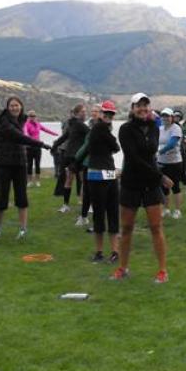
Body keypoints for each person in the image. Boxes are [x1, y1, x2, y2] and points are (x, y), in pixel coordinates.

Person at [112, 93, 173, 283]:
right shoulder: (125, 129)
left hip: (150, 185)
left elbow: (151, 155)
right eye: (138, 106)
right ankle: (122, 268)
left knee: (156, 227)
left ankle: (162, 271)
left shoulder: (154, 128)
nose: (142, 109)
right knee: (127, 227)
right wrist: (160, 176)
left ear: (149, 109)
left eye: (145, 106)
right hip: (131, 182)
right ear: (132, 108)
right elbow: (134, 159)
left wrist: (156, 178)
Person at [0, 96, 50, 240]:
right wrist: (41, 144)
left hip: (20, 162)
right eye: (11, 106)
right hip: (4, 163)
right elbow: (19, 137)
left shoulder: (23, 119)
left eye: (17, 105)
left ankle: (23, 229)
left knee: (22, 197)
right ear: (7, 107)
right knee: (2, 198)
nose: (14, 108)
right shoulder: (4, 121)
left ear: (21, 106)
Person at [75, 100, 121, 264]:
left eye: (111, 114)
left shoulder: (95, 130)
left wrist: (75, 161)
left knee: (102, 214)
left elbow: (85, 150)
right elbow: (115, 147)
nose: (108, 116)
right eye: (106, 113)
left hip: (97, 173)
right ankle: (111, 252)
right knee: (109, 213)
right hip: (104, 173)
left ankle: (102, 252)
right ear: (101, 114)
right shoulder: (100, 129)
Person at [52, 104, 89, 216]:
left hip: (74, 156)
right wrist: (55, 145)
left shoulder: (73, 124)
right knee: (80, 181)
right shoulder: (78, 124)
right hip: (75, 156)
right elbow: (65, 137)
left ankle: (72, 205)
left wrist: (55, 146)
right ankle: (73, 205)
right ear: (77, 113)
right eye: (83, 111)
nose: (85, 113)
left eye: (85, 111)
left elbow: (64, 137)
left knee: (73, 180)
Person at [157, 108, 185, 220]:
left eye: (167, 116)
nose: (165, 118)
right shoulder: (160, 129)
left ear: (172, 117)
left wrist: (159, 151)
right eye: (163, 116)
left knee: (175, 186)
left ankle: (177, 210)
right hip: (161, 162)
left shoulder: (176, 129)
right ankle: (166, 209)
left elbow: (172, 144)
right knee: (164, 187)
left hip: (174, 162)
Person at [24, 110, 57, 188]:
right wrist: (29, 139)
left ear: (36, 117)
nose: (32, 117)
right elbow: (25, 133)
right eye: (31, 116)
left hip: (38, 147)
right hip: (29, 147)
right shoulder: (26, 124)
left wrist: (56, 134)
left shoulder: (38, 124)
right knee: (29, 164)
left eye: (34, 116)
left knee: (37, 164)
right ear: (28, 117)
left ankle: (38, 181)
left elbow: (46, 130)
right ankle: (29, 181)